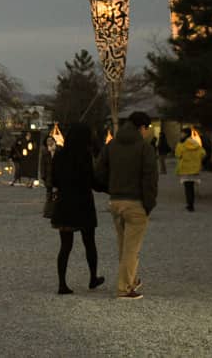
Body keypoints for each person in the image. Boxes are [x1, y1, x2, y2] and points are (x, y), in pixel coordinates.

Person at [95, 111, 158, 300]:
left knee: (123, 245)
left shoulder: (111, 145)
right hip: (136, 202)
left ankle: (132, 278)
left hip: (116, 201)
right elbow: (150, 178)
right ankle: (125, 288)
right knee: (132, 248)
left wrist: (111, 189)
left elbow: (99, 172)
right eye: (147, 128)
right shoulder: (144, 148)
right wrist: (149, 203)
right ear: (142, 127)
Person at [50, 123, 104, 295]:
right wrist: (109, 188)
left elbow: (54, 181)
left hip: (65, 204)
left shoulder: (59, 155)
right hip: (83, 203)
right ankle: (92, 277)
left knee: (65, 246)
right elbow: (92, 181)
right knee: (89, 243)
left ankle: (62, 283)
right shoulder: (85, 156)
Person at [175, 128, 206, 212]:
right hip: (195, 168)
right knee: (191, 187)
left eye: (182, 133)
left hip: (185, 168)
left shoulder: (181, 144)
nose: (180, 135)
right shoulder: (196, 143)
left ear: (185, 134)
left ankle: (189, 205)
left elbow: (177, 155)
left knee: (187, 188)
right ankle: (191, 204)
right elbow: (203, 154)